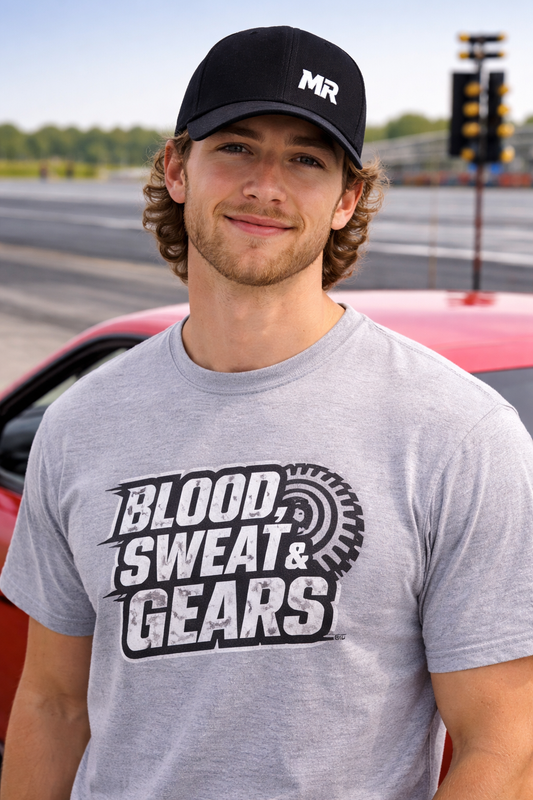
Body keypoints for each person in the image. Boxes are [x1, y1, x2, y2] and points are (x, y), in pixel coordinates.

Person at [1, 25, 533, 800]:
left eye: (306, 160)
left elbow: (502, 747)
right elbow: (51, 703)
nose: (265, 185)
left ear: (347, 198)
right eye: (237, 148)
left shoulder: (455, 432)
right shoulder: (81, 424)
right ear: (177, 169)